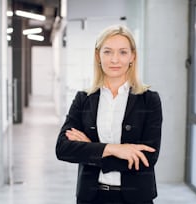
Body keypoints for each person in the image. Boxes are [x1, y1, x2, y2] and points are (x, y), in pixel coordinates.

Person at [55, 24, 163, 204]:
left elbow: (147, 158)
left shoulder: (149, 100)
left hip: (136, 198)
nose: (115, 59)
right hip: (91, 197)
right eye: (107, 52)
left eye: (122, 52)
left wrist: (91, 149)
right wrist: (114, 149)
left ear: (132, 56)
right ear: (98, 56)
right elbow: (63, 148)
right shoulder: (84, 98)